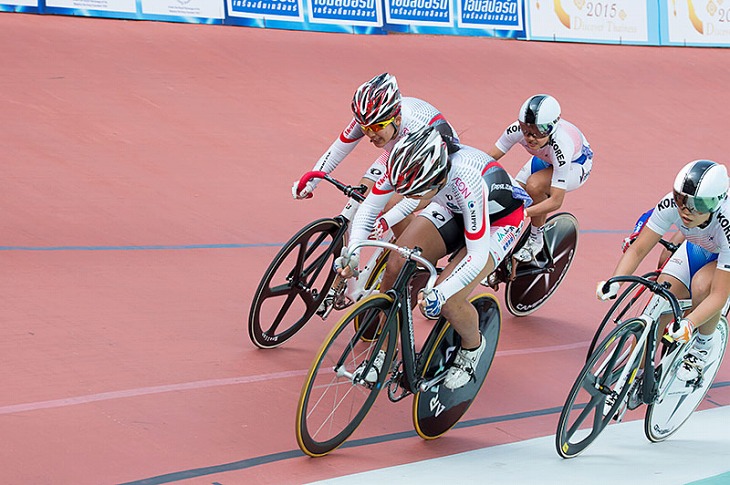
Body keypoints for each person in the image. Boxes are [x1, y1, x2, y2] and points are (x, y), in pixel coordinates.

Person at [335, 126, 529, 389]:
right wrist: (354, 252)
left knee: (450, 300)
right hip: (450, 205)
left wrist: (441, 292)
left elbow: (476, 255)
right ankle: (386, 350)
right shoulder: (406, 161)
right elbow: (369, 208)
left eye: (415, 190)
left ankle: (472, 347)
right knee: (396, 265)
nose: (409, 195)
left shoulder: (466, 182)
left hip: (499, 222)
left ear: (435, 178)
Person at [291, 72, 458, 314]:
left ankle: (410, 261)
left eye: (377, 127)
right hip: (397, 149)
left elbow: (414, 197)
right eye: (365, 128)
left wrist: (387, 220)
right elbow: (340, 147)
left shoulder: (412, 126)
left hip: (429, 160)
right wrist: (312, 180)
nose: (369, 134)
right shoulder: (372, 118)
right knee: (361, 193)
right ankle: (349, 276)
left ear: (395, 117)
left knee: (392, 202)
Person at [597, 160, 730, 382]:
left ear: (715, 203)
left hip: (723, 252)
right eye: (681, 199)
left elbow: (719, 295)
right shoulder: (671, 204)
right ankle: (634, 375)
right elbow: (639, 248)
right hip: (700, 245)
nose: (686, 210)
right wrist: (614, 282)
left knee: (702, 286)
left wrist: (690, 324)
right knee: (662, 297)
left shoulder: (726, 223)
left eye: (697, 205)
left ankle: (702, 348)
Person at [485, 94, 593, 262]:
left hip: (576, 164)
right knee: (512, 195)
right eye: (526, 130)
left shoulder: (561, 146)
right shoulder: (516, 130)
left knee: (535, 186)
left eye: (538, 132)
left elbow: (556, 201)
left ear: (552, 128)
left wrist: (525, 213)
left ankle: (536, 239)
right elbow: (488, 160)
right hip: (545, 157)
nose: (530, 138)